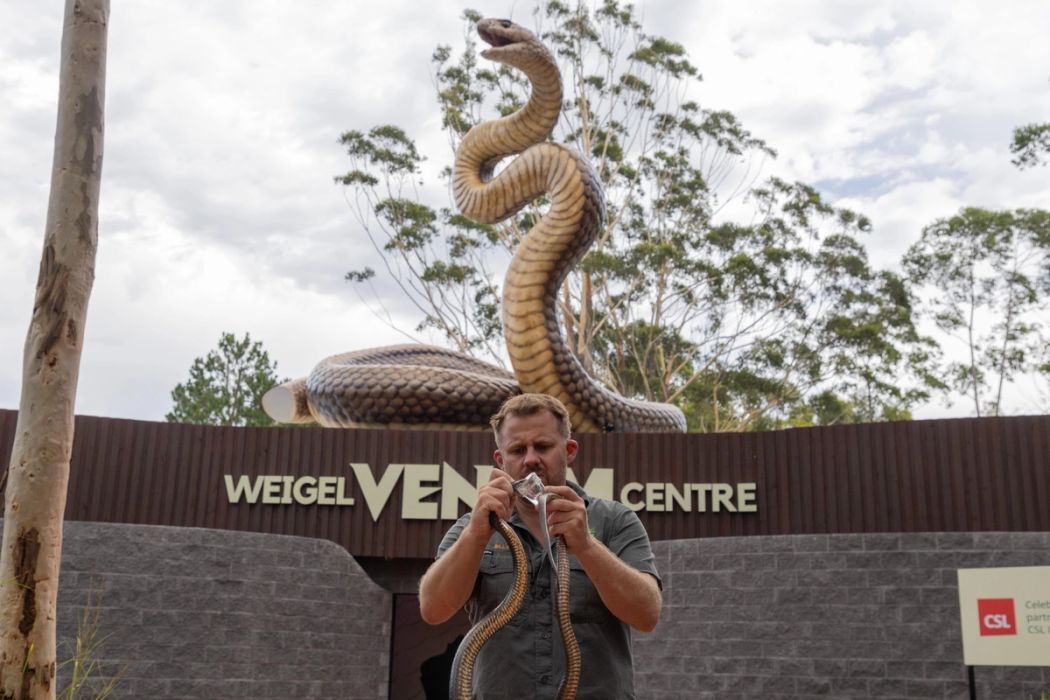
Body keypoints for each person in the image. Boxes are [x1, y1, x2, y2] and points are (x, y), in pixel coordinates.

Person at [418, 393, 662, 699]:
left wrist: (587, 546)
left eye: (543, 446)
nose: (531, 459)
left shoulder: (615, 521)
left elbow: (647, 614)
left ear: (569, 450)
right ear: (500, 460)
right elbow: (433, 608)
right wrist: (475, 535)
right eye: (518, 449)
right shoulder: (475, 526)